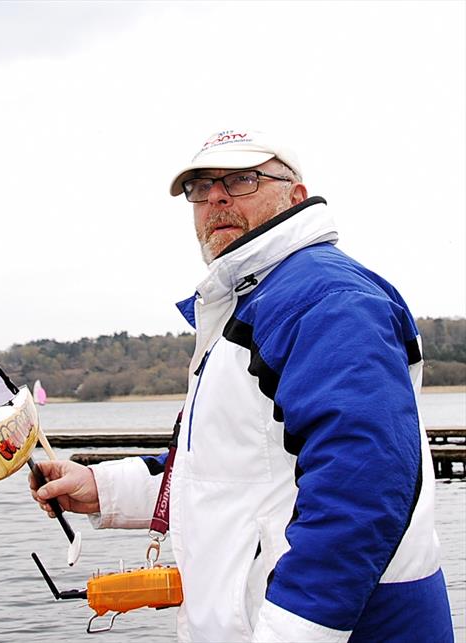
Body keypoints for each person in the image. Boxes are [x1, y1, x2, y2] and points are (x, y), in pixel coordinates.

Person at [29, 130, 454, 642]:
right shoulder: (248, 303)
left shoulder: (325, 299)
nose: (216, 198)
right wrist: (101, 488)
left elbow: (364, 483)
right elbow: (232, 470)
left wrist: (294, 632)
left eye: (242, 179)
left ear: (295, 195)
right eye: (200, 187)